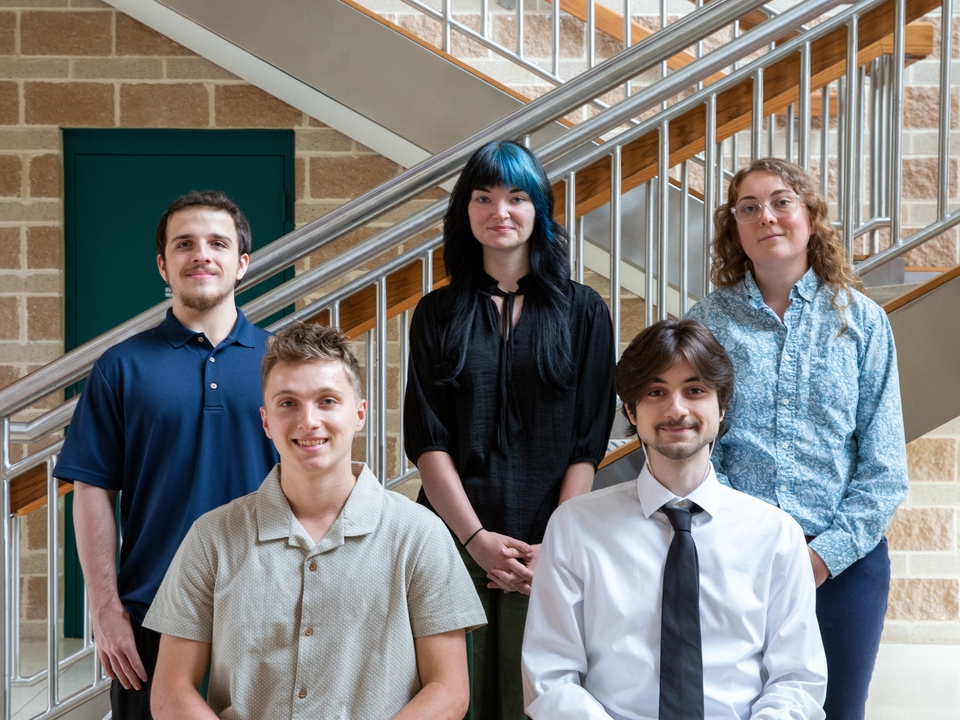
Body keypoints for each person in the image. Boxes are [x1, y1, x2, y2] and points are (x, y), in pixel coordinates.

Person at [144, 322, 486, 719]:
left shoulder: (420, 534)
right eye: (288, 403)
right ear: (266, 420)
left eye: (327, 401)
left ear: (359, 414)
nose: (308, 421)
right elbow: (171, 692)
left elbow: (449, 691)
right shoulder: (212, 537)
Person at [686, 158, 908, 720]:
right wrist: (753, 541)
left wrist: (819, 558)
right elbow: (698, 445)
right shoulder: (707, 323)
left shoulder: (861, 321)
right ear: (734, 229)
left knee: (837, 711)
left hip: (844, 566)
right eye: (749, 207)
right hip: (739, 561)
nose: (767, 216)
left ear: (810, 217)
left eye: (782, 201)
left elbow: (884, 467)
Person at [403, 140, 616, 719]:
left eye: (517, 197)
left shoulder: (584, 311)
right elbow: (427, 440)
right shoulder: (435, 313)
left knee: (539, 700)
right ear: (465, 212)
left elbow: (587, 442)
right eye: (484, 197)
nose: (501, 211)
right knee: (454, 700)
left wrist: (557, 543)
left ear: (540, 210)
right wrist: (475, 541)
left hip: (545, 546)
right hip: (450, 540)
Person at [522, 319, 827, 720]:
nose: (676, 409)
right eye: (655, 392)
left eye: (695, 390)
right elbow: (551, 677)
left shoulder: (775, 535)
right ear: (631, 410)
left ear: (722, 406)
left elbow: (796, 681)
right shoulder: (574, 528)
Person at [53, 191, 279, 719]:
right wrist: (106, 609)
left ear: (242, 263)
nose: (201, 254)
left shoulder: (282, 362)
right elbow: (91, 490)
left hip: (269, 608)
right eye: (184, 244)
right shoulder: (120, 368)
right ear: (164, 264)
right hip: (153, 614)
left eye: (217, 243)